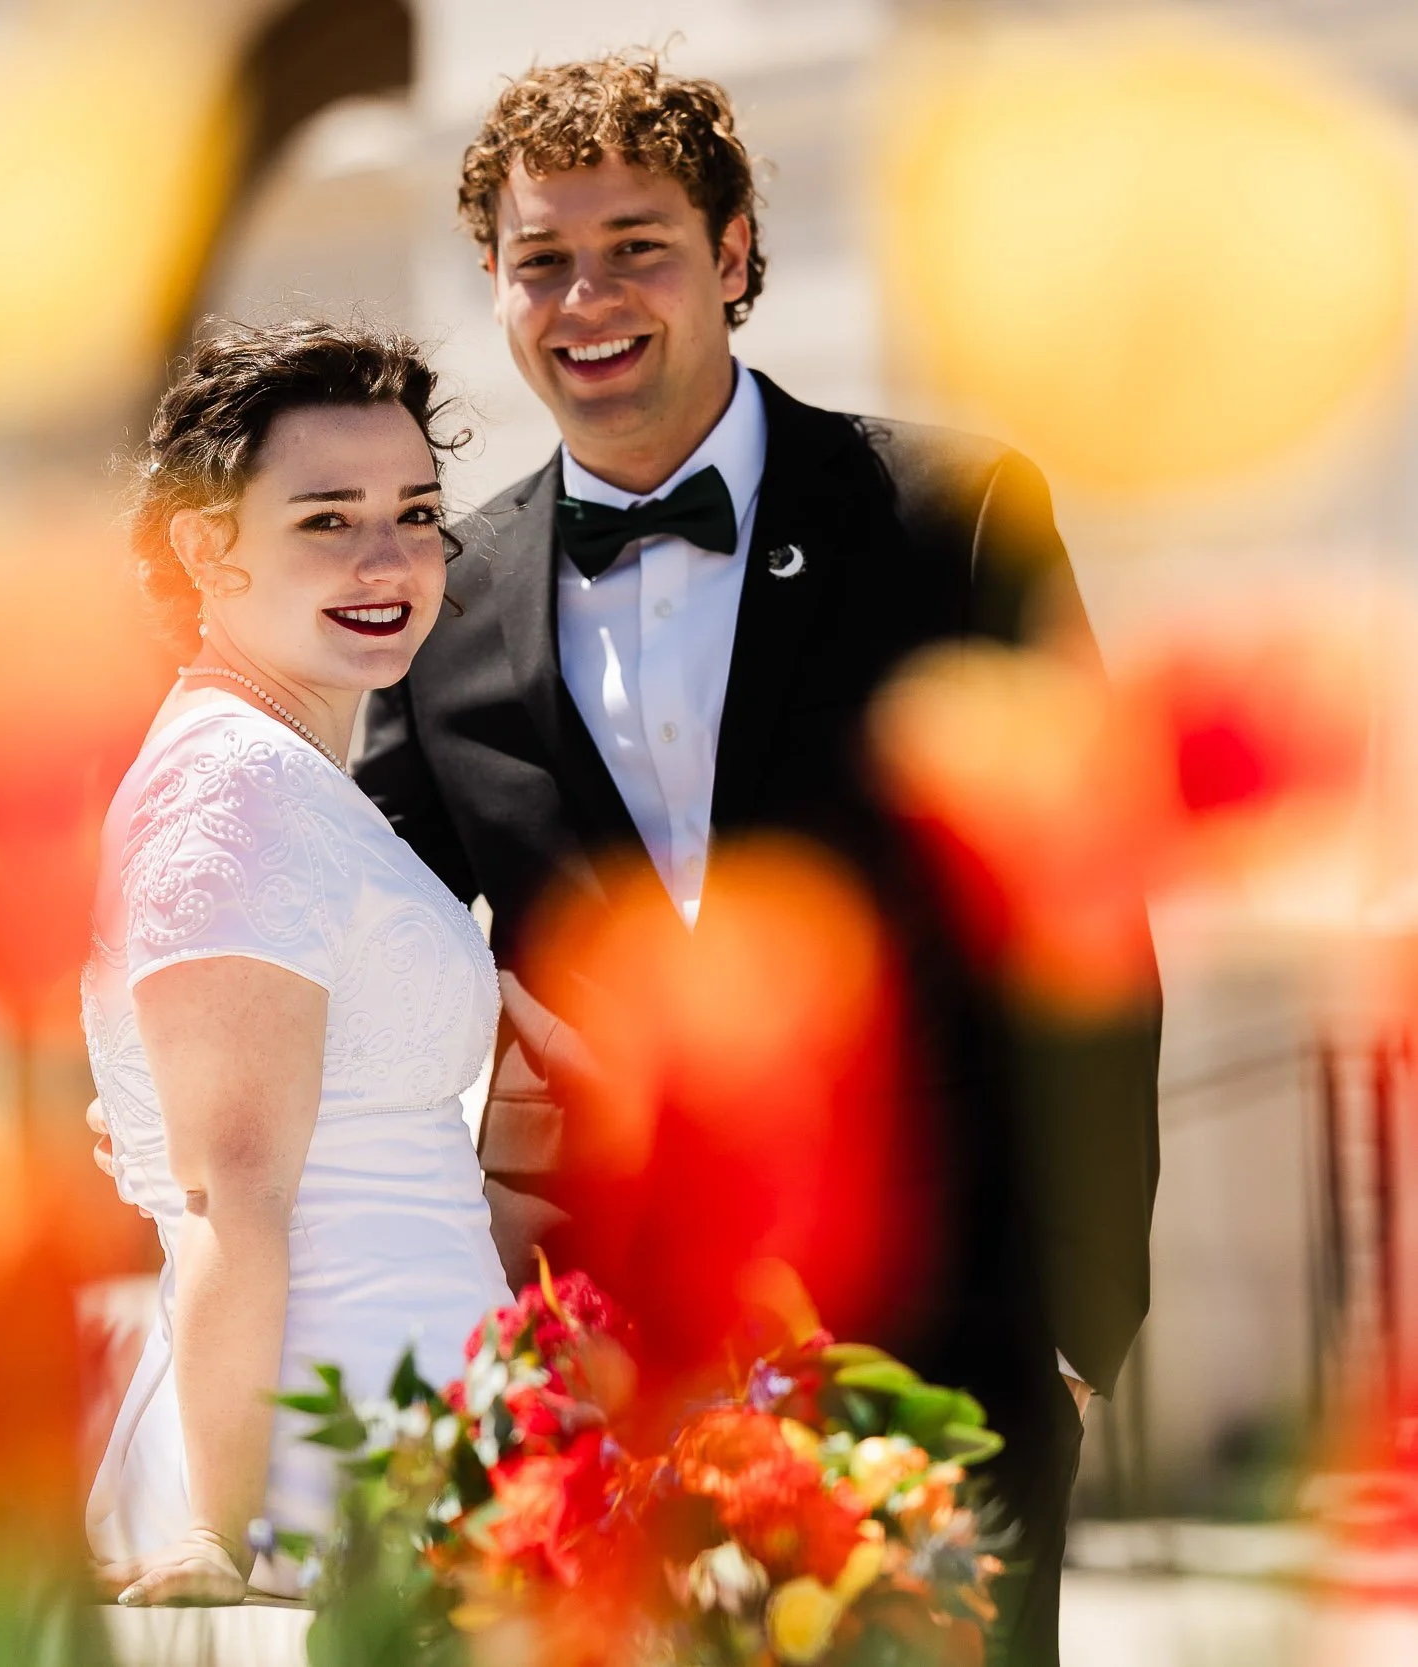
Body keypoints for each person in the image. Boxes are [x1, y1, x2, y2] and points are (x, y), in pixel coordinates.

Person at [348, 55, 1161, 1666]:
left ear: (731, 255)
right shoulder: (441, 595)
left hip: (951, 1330)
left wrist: (1082, 1322)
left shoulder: (953, 518)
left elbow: (1080, 921)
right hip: (612, 1368)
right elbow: (375, 925)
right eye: (542, 260)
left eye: (637, 244)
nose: (588, 296)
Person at [83, 322, 512, 1607]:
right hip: (332, 1478)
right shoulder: (234, 788)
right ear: (206, 548)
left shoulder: (285, 777)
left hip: (426, 1436)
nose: (389, 560)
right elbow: (232, 1195)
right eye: (328, 520)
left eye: (416, 512)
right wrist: (227, 1528)